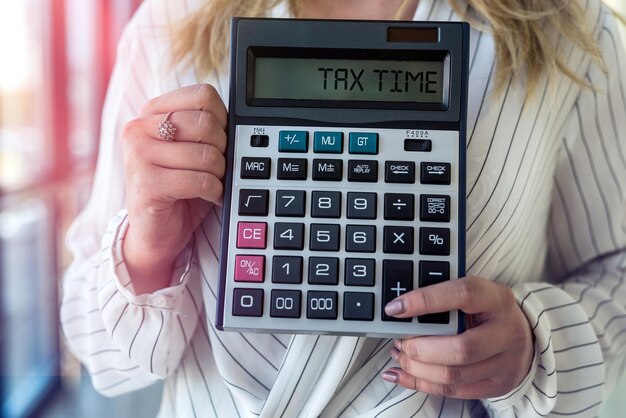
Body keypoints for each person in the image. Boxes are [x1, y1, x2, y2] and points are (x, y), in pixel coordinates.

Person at [60, 0, 626, 416]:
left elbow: (616, 278)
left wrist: (535, 344)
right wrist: (147, 248)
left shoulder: (574, 34)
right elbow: (99, 353)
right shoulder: (168, 27)